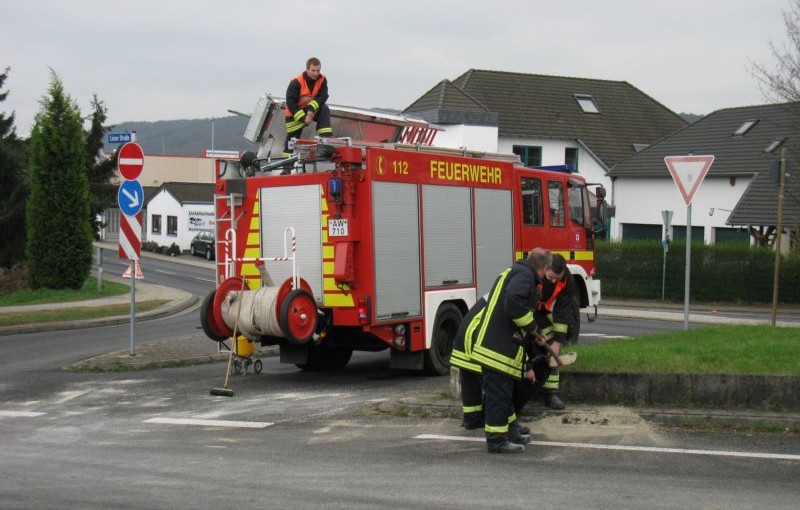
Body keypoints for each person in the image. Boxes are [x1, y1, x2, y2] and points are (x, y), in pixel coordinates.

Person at [469, 248, 552, 454]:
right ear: (543, 269)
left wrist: (535, 330)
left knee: (504, 394)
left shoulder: (516, 271)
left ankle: (512, 431)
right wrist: (533, 329)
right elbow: (514, 305)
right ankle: (496, 440)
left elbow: (518, 311)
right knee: (499, 395)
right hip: (497, 349)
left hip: (500, 346)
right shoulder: (525, 276)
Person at [537, 253, 580, 410]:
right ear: (545, 269)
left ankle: (551, 393)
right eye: (551, 277)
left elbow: (562, 311)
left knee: (551, 344)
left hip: (541, 312)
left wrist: (557, 341)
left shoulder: (567, 280)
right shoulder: (535, 272)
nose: (554, 281)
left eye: (557, 278)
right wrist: (532, 329)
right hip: (525, 312)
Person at [282, 57, 333, 158]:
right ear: (307, 69)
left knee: (324, 109)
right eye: (313, 70)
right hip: (294, 115)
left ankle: (325, 142)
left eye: (318, 70)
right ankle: (286, 168)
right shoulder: (296, 82)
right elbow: (291, 103)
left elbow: (322, 97)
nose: (316, 73)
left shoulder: (322, 80)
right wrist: (303, 118)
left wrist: (310, 111)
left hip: (309, 110)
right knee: (291, 142)